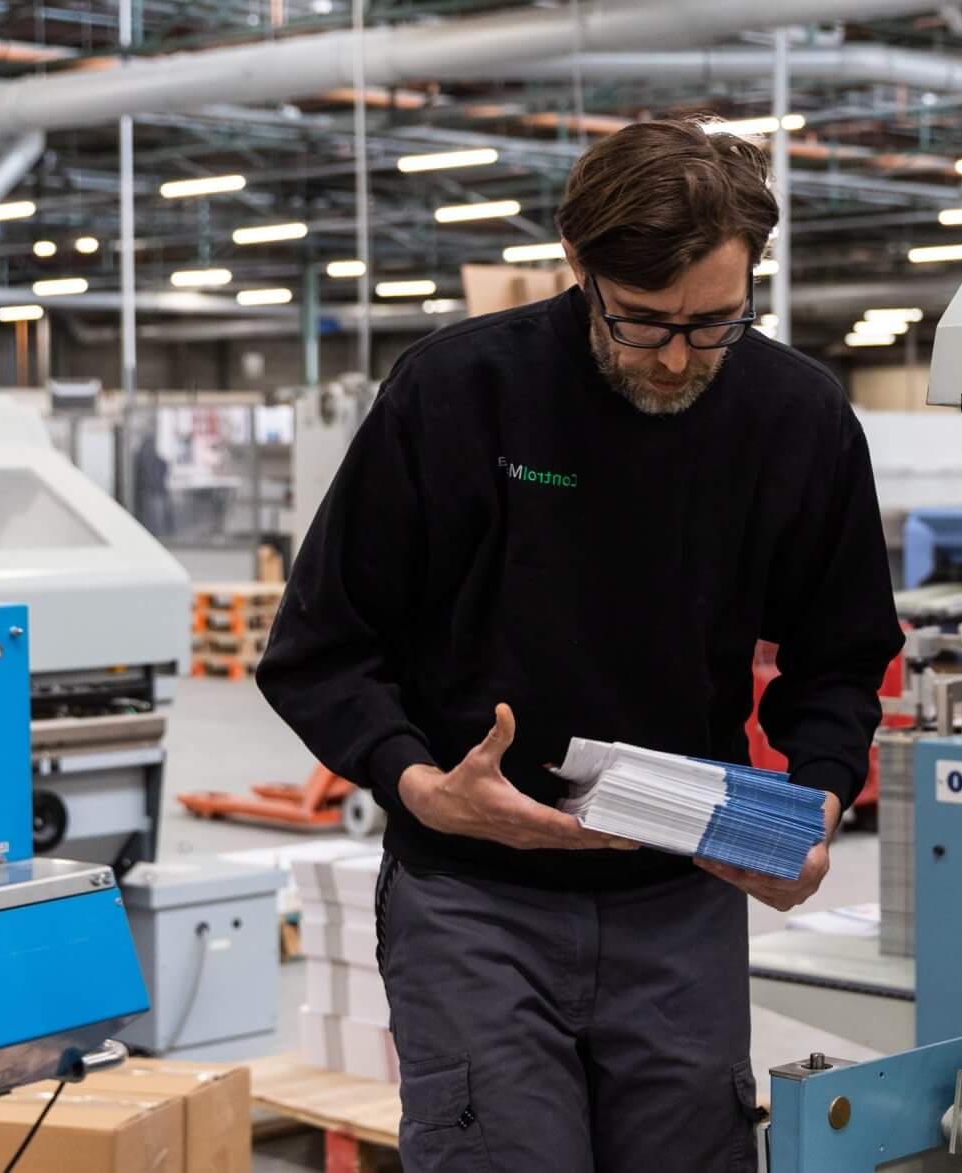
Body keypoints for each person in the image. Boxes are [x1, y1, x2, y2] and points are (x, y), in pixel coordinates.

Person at [256, 115, 902, 1173]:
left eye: (715, 325)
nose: (678, 358)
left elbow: (838, 656)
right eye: (642, 324)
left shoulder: (796, 416)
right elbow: (320, 648)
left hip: (682, 899)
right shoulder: (459, 392)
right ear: (577, 266)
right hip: (473, 905)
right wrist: (419, 785)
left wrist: (816, 801)